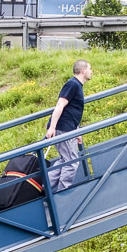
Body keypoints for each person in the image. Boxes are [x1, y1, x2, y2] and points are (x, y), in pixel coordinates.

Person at [45, 60, 92, 191]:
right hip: (63, 128)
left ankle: (44, 188)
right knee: (71, 162)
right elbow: (60, 104)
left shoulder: (77, 86)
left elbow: (71, 110)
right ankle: (62, 194)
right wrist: (52, 127)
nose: (91, 71)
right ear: (83, 71)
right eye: (90, 69)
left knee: (65, 160)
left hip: (68, 127)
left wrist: (77, 131)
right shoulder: (72, 84)